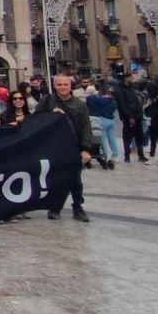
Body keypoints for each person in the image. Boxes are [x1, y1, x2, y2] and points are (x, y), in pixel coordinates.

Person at [36, 75, 94, 222]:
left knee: (75, 179)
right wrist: (51, 115)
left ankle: (78, 207)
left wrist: (86, 148)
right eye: (59, 85)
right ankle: (55, 207)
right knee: (55, 177)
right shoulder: (47, 101)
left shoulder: (79, 104)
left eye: (65, 84)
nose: (62, 87)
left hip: (73, 146)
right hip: (54, 146)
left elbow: (86, 127)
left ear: (70, 86)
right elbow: (36, 119)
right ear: (55, 86)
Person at [112, 76, 147, 163]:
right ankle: (127, 156)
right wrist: (129, 117)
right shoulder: (120, 90)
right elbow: (122, 105)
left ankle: (141, 155)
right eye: (131, 78)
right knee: (127, 137)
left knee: (139, 137)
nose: (133, 79)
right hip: (129, 118)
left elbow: (136, 102)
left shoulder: (132, 88)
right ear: (126, 79)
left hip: (137, 116)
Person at [85, 86, 119, 169]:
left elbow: (90, 98)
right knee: (112, 139)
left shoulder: (100, 100)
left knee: (102, 140)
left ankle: (105, 155)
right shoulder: (114, 102)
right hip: (110, 120)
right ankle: (115, 155)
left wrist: (91, 94)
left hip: (102, 120)